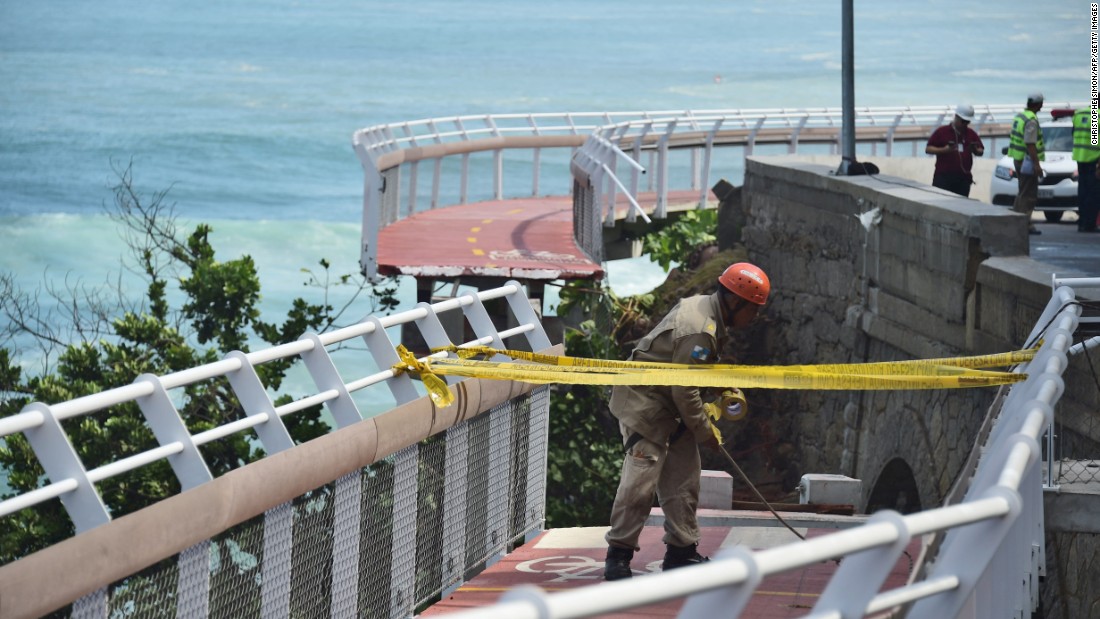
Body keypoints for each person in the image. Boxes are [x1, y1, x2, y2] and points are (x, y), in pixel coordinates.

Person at [603, 262, 770, 581]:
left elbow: (689, 373)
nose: (756, 317)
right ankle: (618, 556)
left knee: (684, 479)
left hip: (670, 407)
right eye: (754, 309)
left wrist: (719, 386)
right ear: (736, 301)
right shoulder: (701, 329)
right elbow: (685, 389)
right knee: (641, 480)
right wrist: (706, 432)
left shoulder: (709, 313)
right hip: (645, 404)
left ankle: (681, 552)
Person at [925, 104, 985, 197]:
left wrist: (975, 150)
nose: (965, 124)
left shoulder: (971, 134)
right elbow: (928, 149)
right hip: (943, 178)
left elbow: (980, 151)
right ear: (956, 117)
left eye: (967, 122)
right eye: (963, 121)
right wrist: (944, 150)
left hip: (963, 179)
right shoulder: (942, 132)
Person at [1009, 93, 1046, 235]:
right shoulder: (1031, 120)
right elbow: (1030, 143)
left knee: (1022, 191)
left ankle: (1016, 220)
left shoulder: (1020, 116)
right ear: (1038, 105)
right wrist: (1037, 164)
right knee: (1029, 194)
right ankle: (1025, 223)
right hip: (1027, 161)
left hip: (1018, 159)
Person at [1072, 106, 1100, 232]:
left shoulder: (1078, 114)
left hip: (1080, 157)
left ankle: (1082, 222)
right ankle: (1089, 224)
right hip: (1094, 159)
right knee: (1093, 193)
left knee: (1082, 191)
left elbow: (1073, 133)